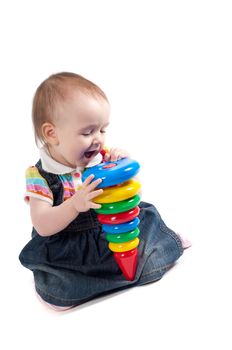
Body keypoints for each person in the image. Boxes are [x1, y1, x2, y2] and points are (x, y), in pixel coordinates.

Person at [19, 72, 190, 311]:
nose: (98, 139)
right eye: (88, 132)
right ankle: (69, 288)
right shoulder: (40, 176)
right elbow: (43, 225)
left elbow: (133, 198)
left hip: (115, 232)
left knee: (147, 222)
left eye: (103, 130)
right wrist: (73, 205)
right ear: (52, 134)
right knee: (65, 286)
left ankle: (166, 242)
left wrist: (123, 172)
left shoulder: (101, 157)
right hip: (71, 246)